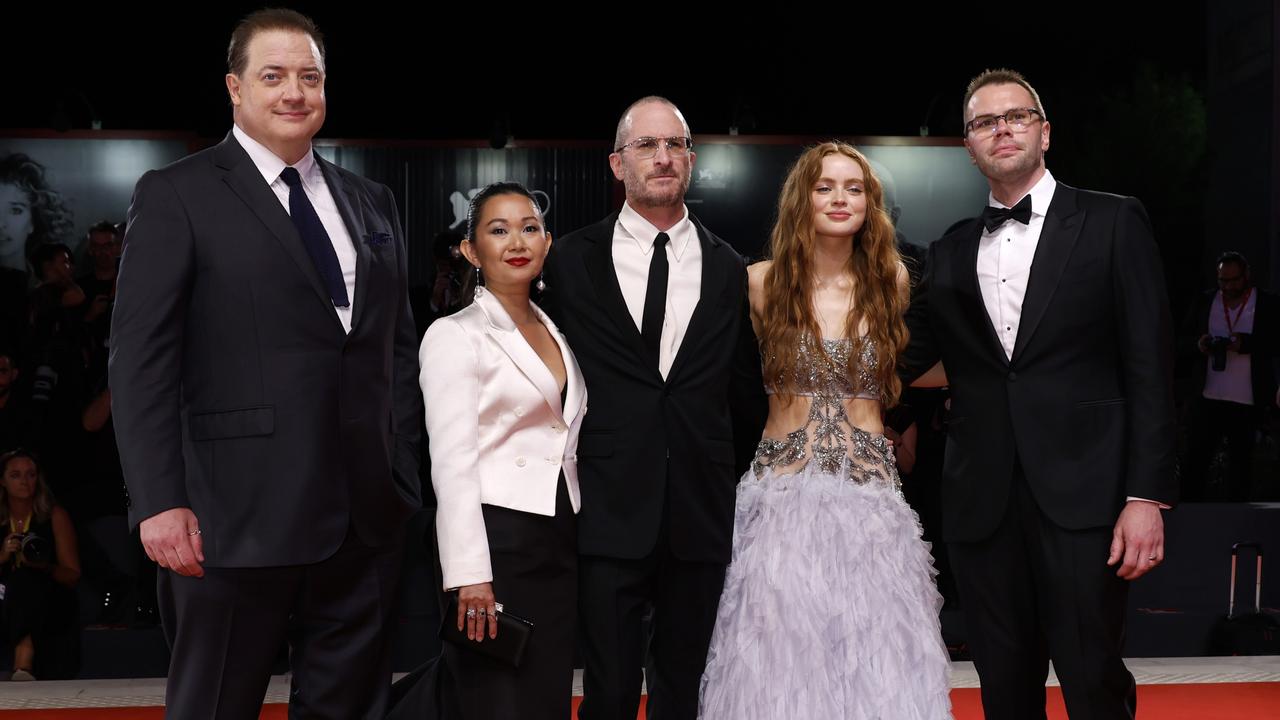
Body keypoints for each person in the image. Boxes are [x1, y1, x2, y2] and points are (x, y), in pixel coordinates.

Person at [108, 9, 421, 717]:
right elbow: (141, 362)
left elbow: (394, 352)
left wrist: (402, 471)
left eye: (309, 77)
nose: (294, 92)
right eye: (273, 76)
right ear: (234, 88)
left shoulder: (372, 201)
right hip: (226, 519)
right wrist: (159, 500)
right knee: (215, 704)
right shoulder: (177, 193)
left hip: (364, 518)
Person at [900, 68, 1176, 720]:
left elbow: (1150, 370)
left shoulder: (1113, 222)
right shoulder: (947, 254)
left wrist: (1146, 497)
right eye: (983, 122)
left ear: (1044, 132)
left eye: (1016, 116)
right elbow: (893, 358)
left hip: (1088, 502)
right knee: (1003, 687)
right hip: (981, 506)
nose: (1001, 129)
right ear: (968, 146)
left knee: (1094, 680)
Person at [697, 142, 950, 719]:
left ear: (872, 203)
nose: (840, 198)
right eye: (825, 186)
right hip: (781, 495)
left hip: (869, 499)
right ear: (800, 198)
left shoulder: (895, 284)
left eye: (854, 187)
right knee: (777, 654)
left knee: (876, 652)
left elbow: (931, 366)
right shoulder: (758, 283)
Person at [541, 96, 766, 720]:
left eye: (675, 146)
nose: (663, 158)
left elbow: (744, 389)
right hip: (607, 505)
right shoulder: (567, 262)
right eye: (646, 146)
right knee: (608, 690)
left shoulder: (731, 268)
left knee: (684, 686)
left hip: (701, 506)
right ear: (618, 164)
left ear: (691, 160)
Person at [417, 181, 586, 720]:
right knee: (495, 702)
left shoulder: (555, 328)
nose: (518, 241)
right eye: (498, 229)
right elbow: (451, 463)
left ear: (547, 242)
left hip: (558, 536)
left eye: (530, 228)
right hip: (496, 542)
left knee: (546, 697)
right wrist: (469, 573)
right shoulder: (455, 334)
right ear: (471, 250)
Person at [1180, 251, 1280, 501]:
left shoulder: (1266, 303)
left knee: (1241, 469)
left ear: (1246, 276)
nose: (1228, 286)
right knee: (1196, 462)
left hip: (1246, 400)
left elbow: (1275, 342)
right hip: (1208, 397)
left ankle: (1239, 524)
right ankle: (1192, 518)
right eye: (1223, 281)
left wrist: (1245, 344)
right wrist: (1199, 344)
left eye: (1233, 280)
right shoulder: (1206, 302)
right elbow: (1180, 340)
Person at [0, 449, 81, 681]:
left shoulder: (53, 515)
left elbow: (72, 574)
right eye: (15, 475)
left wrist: (41, 566)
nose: (25, 482)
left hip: (44, 598)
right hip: (4, 598)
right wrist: (3, 556)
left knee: (25, 581)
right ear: (2, 481)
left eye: (31, 474)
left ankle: (23, 662)